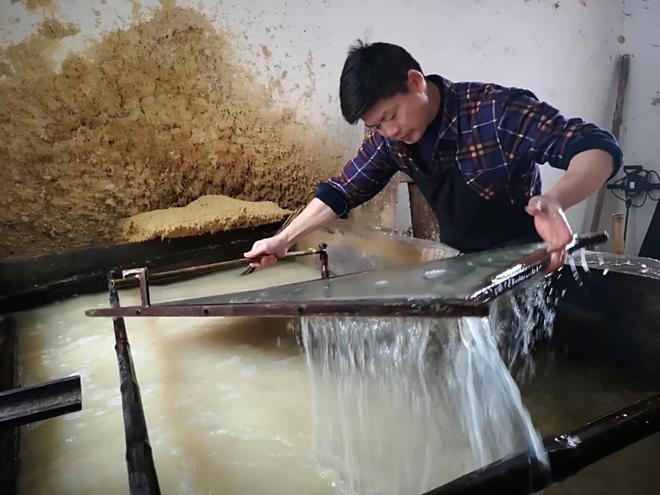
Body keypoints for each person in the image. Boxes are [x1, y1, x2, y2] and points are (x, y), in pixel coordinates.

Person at [245, 41, 622, 272]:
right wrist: (283, 240)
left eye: (391, 116)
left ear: (415, 82)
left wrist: (555, 201)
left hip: (532, 261)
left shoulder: (495, 111)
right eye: (377, 126)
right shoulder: (390, 141)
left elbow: (595, 147)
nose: (389, 131)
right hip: (464, 265)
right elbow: (341, 190)